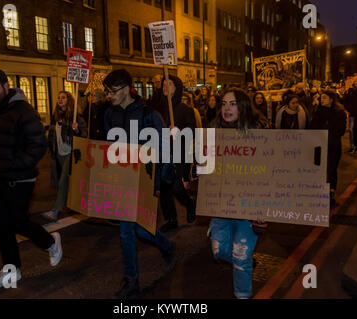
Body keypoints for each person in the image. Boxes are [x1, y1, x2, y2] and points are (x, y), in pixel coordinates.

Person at [0, 68, 63, 289]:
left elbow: (38, 145)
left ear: (5, 85)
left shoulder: (23, 110)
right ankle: (12, 271)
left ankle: (50, 242)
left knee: (17, 222)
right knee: (1, 227)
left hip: (18, 179)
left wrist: (15, 165)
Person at [102, 69, 176, 299]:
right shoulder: (109, 115)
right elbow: (106, 147)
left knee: (134, 229)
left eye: (112, 91)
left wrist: (164, 167)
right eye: (107, 91)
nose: (109, 96)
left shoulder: (148, 114)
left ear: (125, 89)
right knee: (133, 230)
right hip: (121, 180)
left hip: (144, 180)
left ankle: (135, 278)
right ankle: (157, 255)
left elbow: (164, 147)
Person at [206, 88, 268, 299]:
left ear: (242, 106)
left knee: (240, 255)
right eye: (223, 103)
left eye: (232, 104)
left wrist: (263, 209)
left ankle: (243, 294)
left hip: (248, 207)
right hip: (222, 205)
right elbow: (203, 165)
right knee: (219, 251)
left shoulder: (260, 133)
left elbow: (272, 174)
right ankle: (246, 261)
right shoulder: (213, 131)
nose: (226, 108)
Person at [154, 75, 197, 232]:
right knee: (164, 188)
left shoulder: (185, 109)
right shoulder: (158, 109)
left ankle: (189, 203)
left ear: (176, 88)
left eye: (170, 84)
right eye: (164, 84)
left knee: (177, 186)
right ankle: (171, 219)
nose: (165, 86)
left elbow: (193, 131)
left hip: (179, 153)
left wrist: (179, 131)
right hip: (162, 152)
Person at [43, 91, 87, 222]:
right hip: (59, 153)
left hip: (71, 153)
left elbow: (85, 134)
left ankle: (55, 210)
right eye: (58, 97)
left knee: (62, 181)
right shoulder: (55, 116)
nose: (60, 99)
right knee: (69, 181)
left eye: (63, 97)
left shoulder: (76, 117)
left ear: (69, 100)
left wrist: (77, 129)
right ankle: (75, 204)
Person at [310, 91, 347, 208]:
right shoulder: (317, 111)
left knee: (331, 169)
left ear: (331, 99)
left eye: (325, 98)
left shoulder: (339, 113)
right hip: (319, 145)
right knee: (319, 169)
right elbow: (312, 127)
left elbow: (341, 130)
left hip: (333, 145)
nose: (322, 100)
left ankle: (331, 193)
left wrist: (329, 132)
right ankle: (319, 193)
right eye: (321, 98)